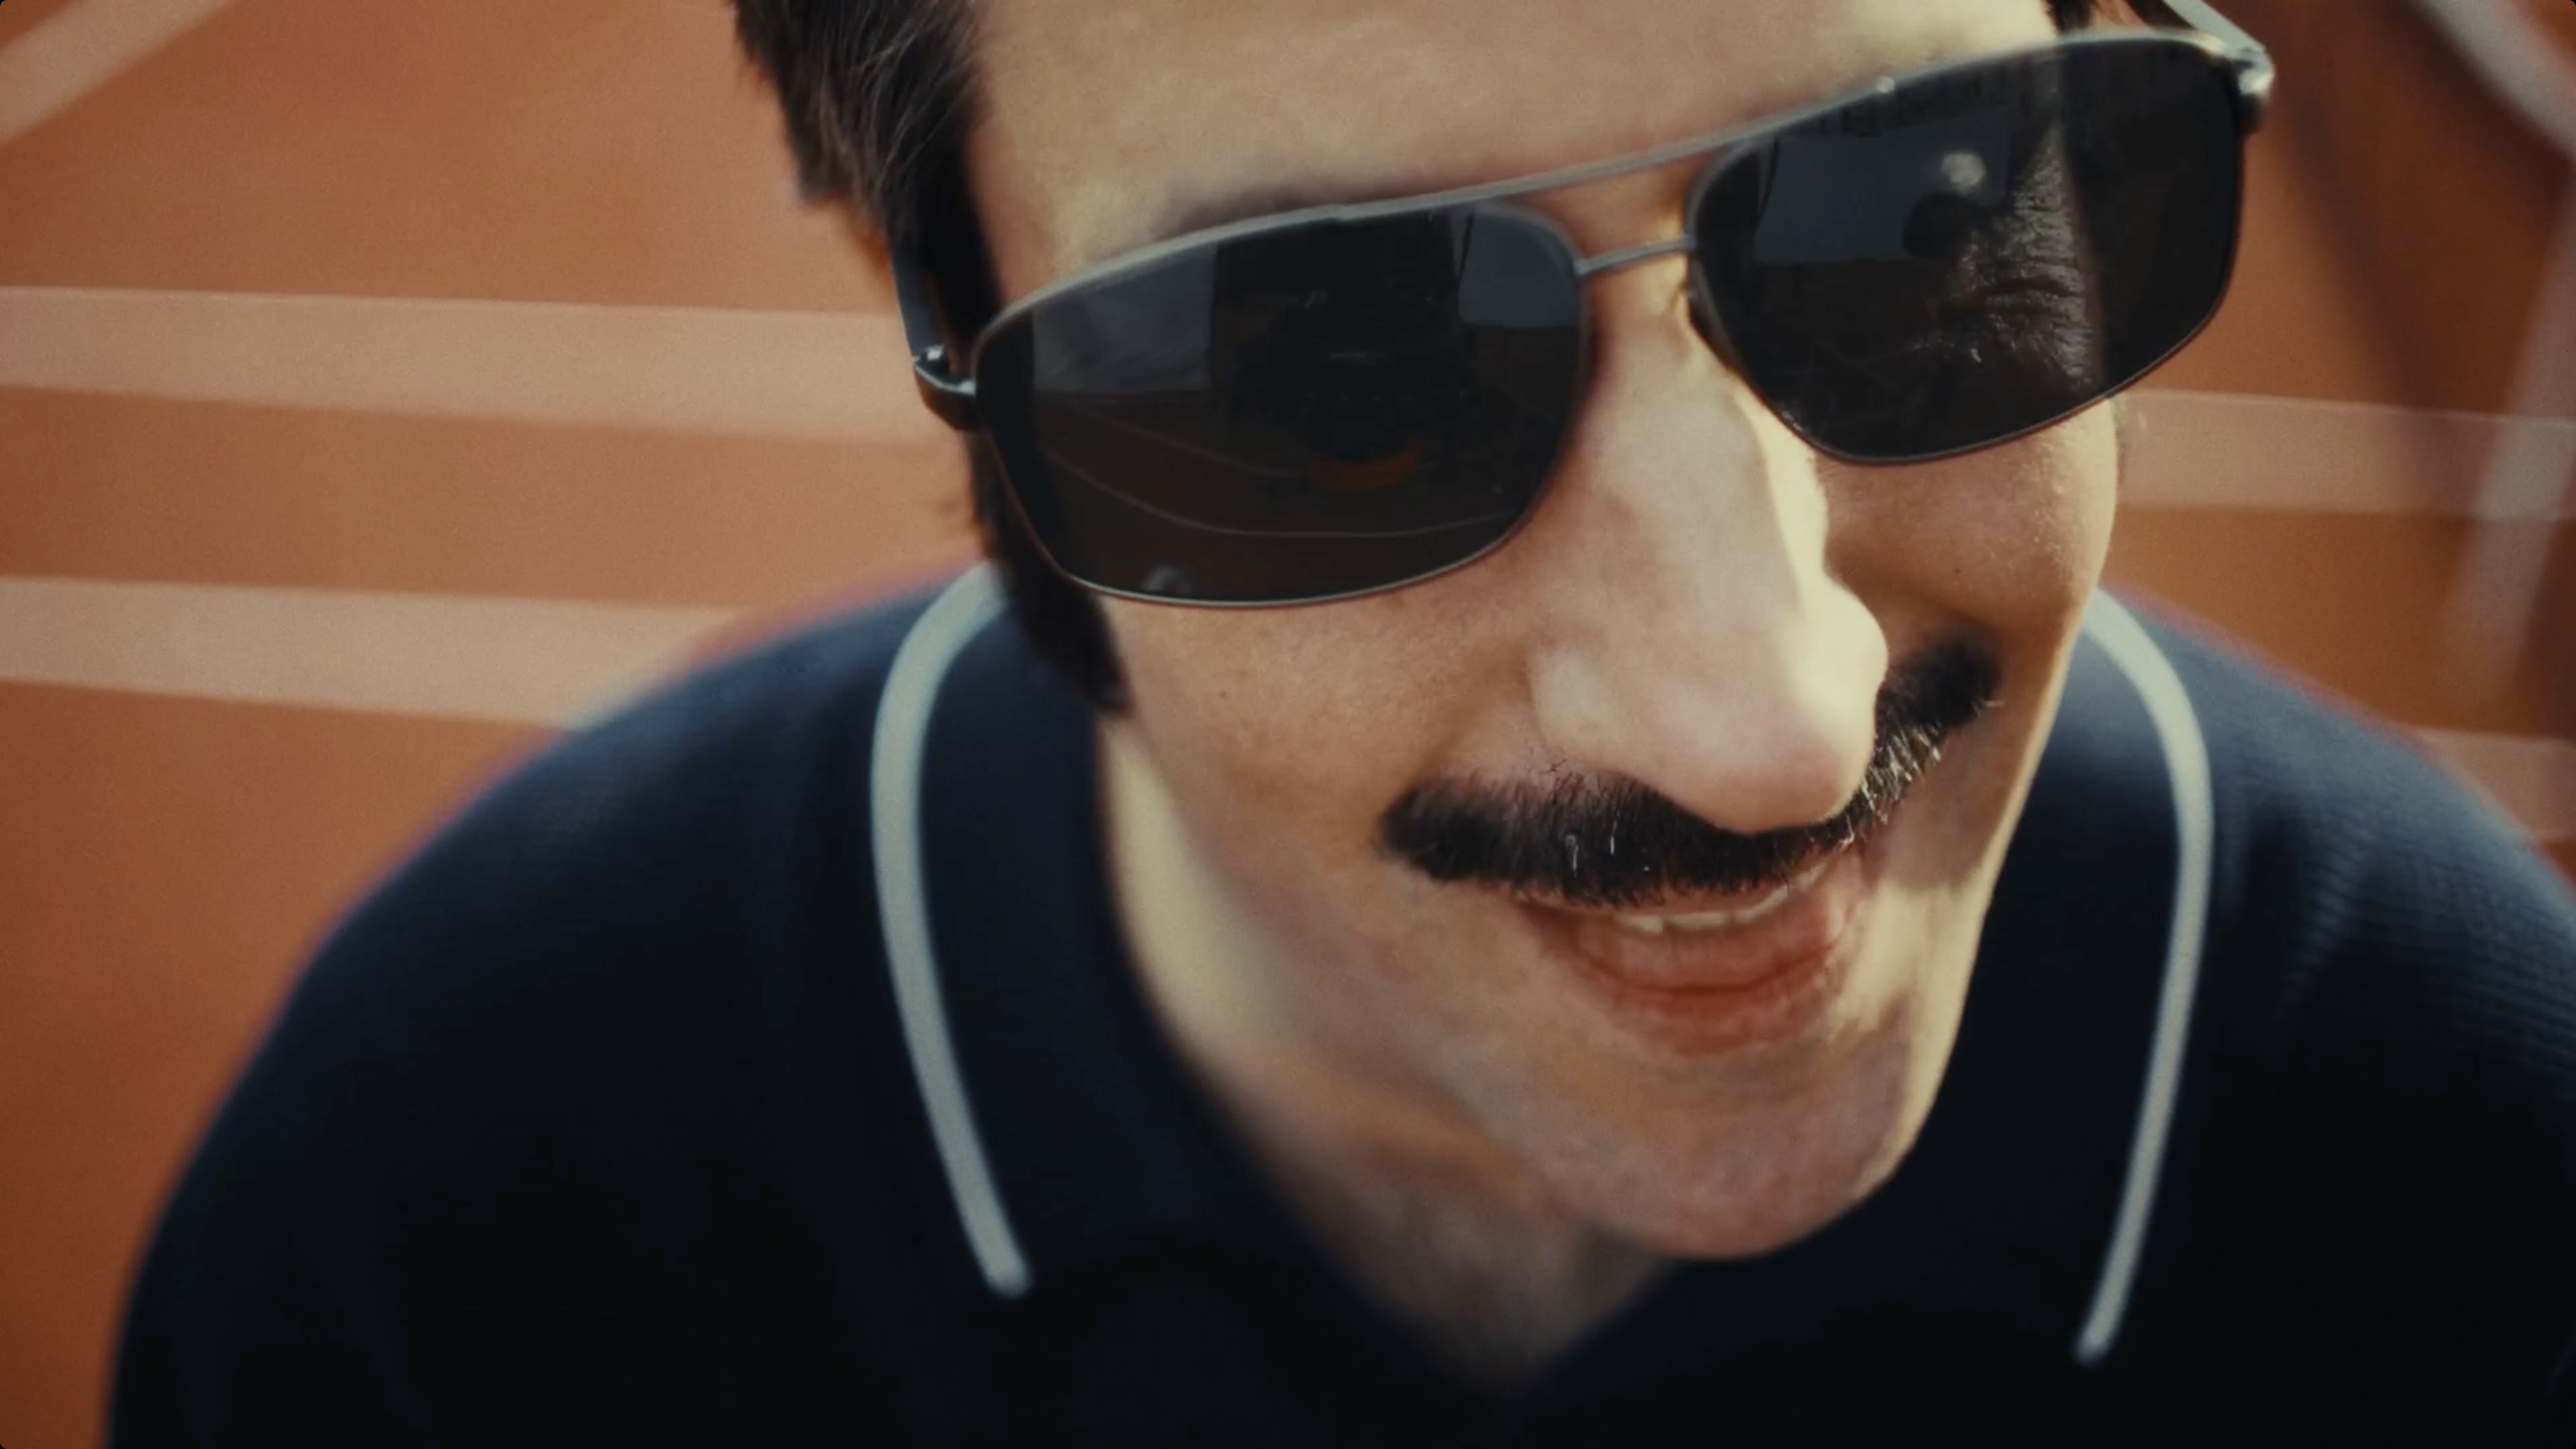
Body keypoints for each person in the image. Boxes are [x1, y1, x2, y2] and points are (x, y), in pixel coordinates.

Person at [111, 0, 2576, 1443]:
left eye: (1935, 219)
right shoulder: (449, 1220)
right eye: (1331, 379)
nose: (1769, 727)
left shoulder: (2490, 1157)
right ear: (920, 300)